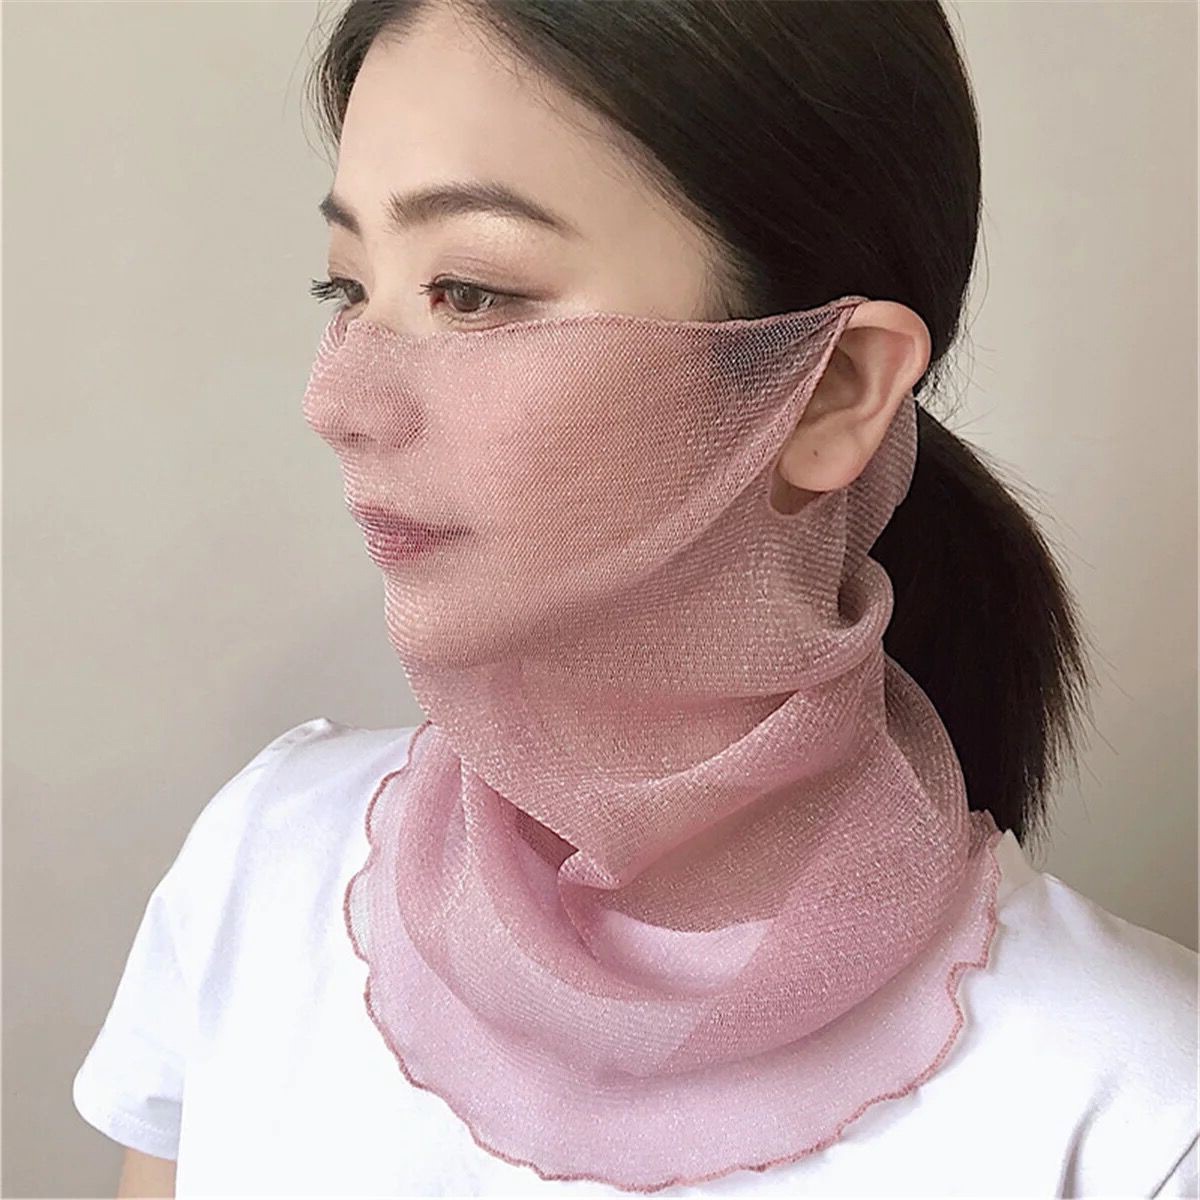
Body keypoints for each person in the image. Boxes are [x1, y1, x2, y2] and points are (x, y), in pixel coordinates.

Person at [73, 2, 1197, 1197]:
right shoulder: (265, 865)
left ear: (831, 390)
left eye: (471, 290)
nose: (339, 402)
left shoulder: (1135, 1111)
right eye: (345, 286)